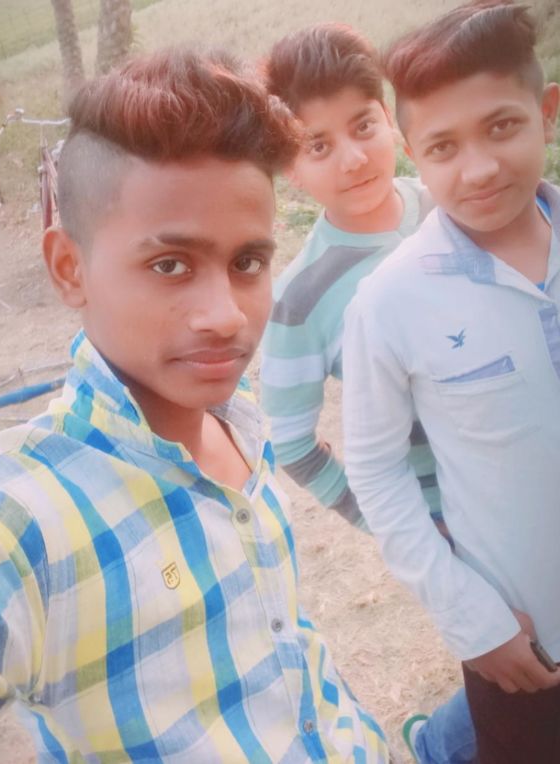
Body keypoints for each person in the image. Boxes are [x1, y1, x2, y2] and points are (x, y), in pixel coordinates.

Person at [0, 49, 390, 763]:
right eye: (170, 265)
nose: (225, 316)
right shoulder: (18, 518)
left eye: (248, 263)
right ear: (69, 268)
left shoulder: (236, 416)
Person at [341, 2, 560, 762]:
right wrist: (470, 618)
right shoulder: (389, 302)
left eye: (502, 126)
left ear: (547, 112)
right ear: (412, 154)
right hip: (529, 643)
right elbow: (375, 468)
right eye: (443, 146)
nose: (479, 168)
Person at [259, 24, 475, 764]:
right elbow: (291, 443)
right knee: (514, 653)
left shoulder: (458, 206)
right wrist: (394, 523)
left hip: (529, 467)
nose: (352, 158)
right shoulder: (301, 298)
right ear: (291, 168)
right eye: (318, 145)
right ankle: (440, 747)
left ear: (391, 120)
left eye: (362, 126)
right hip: (449, 522)